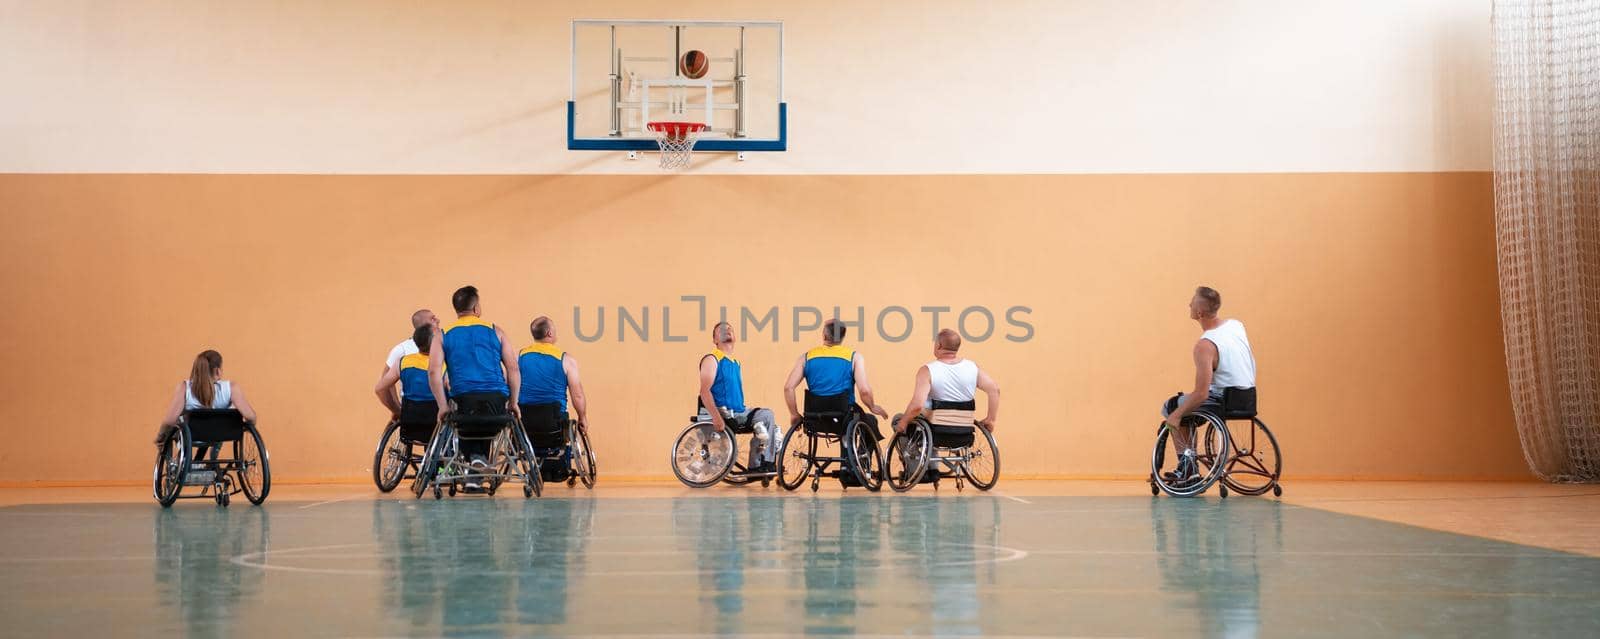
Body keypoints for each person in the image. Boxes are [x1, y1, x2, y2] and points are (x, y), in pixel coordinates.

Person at [1160, 286, 1257, 484]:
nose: (1189, 304)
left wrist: (1176, 415)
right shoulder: (1236, 325)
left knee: (1172, 406)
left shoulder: (1205, 346)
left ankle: (1187, 469)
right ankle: (1189, 464)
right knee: (1186, 406)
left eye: (1192, 302)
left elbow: (1202, 394)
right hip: (1247, 397)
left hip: (1222, 401)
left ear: (1199, 313)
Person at [428, 285, 521, 492]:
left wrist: (442, 406)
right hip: (496, 398)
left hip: (464, 399)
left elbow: (434, 373)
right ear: (477, 308)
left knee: (465, 418)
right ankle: (477, 464)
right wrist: (514, 402)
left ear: (456, 309)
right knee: (486, 419)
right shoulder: (496, 330)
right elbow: (513, 369)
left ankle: (475, 464)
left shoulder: (443, 335)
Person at [154, 350, 258, 478]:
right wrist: (250, 425)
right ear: (218, 371)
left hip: (192, 435)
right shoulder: (230, 388)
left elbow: (169, 421)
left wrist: (160, 438)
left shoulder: (184, 388)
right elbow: (250, 416)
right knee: (218, 428)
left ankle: (185, 461)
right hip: (219, 435)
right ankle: (213, 459)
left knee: (176, 428)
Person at [782, 319, 890, 437]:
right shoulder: (854, 357)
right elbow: (864, 390)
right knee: (870, 421)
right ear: (843, 337)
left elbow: (788, 388)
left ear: (824, 335)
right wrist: (872, 406)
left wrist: (794, 414)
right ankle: (856, 453)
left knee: (852, 419)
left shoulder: (806, 357)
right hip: (843, 413)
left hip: (814, 414)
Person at [697, 321, 778, 474]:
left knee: (767, 418)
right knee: (766, 416)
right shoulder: (712, 359)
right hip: (723, 413)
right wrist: (716, 417)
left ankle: (761, 464)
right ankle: (758, 465)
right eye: (722, 330)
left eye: (730, 329)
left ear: (734, 337)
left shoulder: (735, 363)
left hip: (739, 412)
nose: (727, 331)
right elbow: (704, 392)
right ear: (715, 340)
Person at [517, 316, 590, 478]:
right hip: (554, 424)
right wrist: (582, 417)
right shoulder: (566, 359)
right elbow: (577, 395)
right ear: (549, 333)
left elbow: (510, 386)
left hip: (525, 424)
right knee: (563, 422)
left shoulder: (519, 357)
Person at [893, 329, 1000, 435]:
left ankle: (916, 451)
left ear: (939, 345)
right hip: (964, 429)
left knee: (898, 419)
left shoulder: (927, 371)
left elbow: (917, 406)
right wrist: (991, 419)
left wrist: (903, 422)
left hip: (934, 429)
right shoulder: (972, 367)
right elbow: (995, 390)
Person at [373, 324, 439, 427]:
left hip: (409, 419)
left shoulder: (403, 362)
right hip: (433, 421)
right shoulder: (441, 364)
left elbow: (379, 389)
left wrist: (397, 410)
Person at [378, 309, 437, 411]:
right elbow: (385, 383)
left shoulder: (442, 344)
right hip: (413, 408)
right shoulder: (402, 349)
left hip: (435, 409)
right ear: (423, 325)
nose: (438, 320)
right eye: (433, 319)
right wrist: (397, 409)